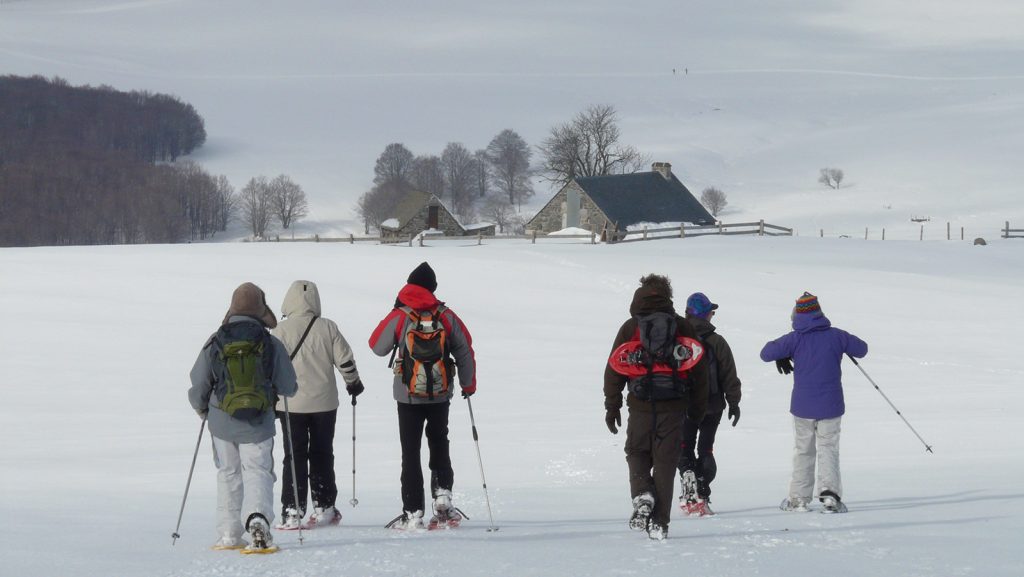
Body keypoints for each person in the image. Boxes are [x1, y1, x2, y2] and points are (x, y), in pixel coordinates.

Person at [189, 282, 297, 553]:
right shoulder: (270, 343)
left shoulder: (216, 340)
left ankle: (228, 533)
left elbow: (199, 381)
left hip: (221, 420)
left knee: (228, 473)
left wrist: (203, 409)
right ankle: (258, 520)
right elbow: (289, 386)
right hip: (258, 422)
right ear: (261, 311)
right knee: (257, 471)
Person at [368, 262, 477, 530]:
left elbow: (376, 346)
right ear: (432, 288)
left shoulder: (401, 315)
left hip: (407, 396)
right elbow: (464, 349)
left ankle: (412, 511)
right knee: (440, 441)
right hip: (440, 394)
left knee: (410, 451)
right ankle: (442, 498)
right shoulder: (446, 315)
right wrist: (468, 384)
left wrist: (395, 312)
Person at [604, 274, 709, 541]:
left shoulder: (631, 327)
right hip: (674, 406)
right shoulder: (682, 326)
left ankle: (642, 493)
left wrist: (612, 405)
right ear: (667, 295)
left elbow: (614, 368)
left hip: (640, 405)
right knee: (665, 462)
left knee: (637, 451)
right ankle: (659, 523)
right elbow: (700, 372)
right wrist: (697, 410)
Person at [759, 292, 867, 513]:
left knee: (803, 451)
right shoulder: (836, 336)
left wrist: (783, 353)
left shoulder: (795, 338)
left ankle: (798, 498)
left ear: (797, 315)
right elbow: (862, 349)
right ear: (820, 313)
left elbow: (766, 353)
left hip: (802, 407)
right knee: (828, 449)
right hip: (831, 406)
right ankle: (830, 496)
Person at [271, 280, 364, 530]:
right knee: (323, 453)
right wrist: (353, 383)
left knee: (293, 456)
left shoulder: (280, 331)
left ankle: (292, 510)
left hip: (290, 404)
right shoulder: (328, 327)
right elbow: (345, 360)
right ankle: (324, 506)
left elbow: (271, 367)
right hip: (324, 403)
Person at [677, 292, 742, 517]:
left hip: (683, 406)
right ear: (706, 315)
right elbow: (729, 375)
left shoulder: (677, 339)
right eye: (711, 312)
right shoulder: (717, 341)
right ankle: (702, 490)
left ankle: (687, 473)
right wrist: (734, 402)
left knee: (684, 446)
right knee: (705, 448)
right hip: (712, 405)